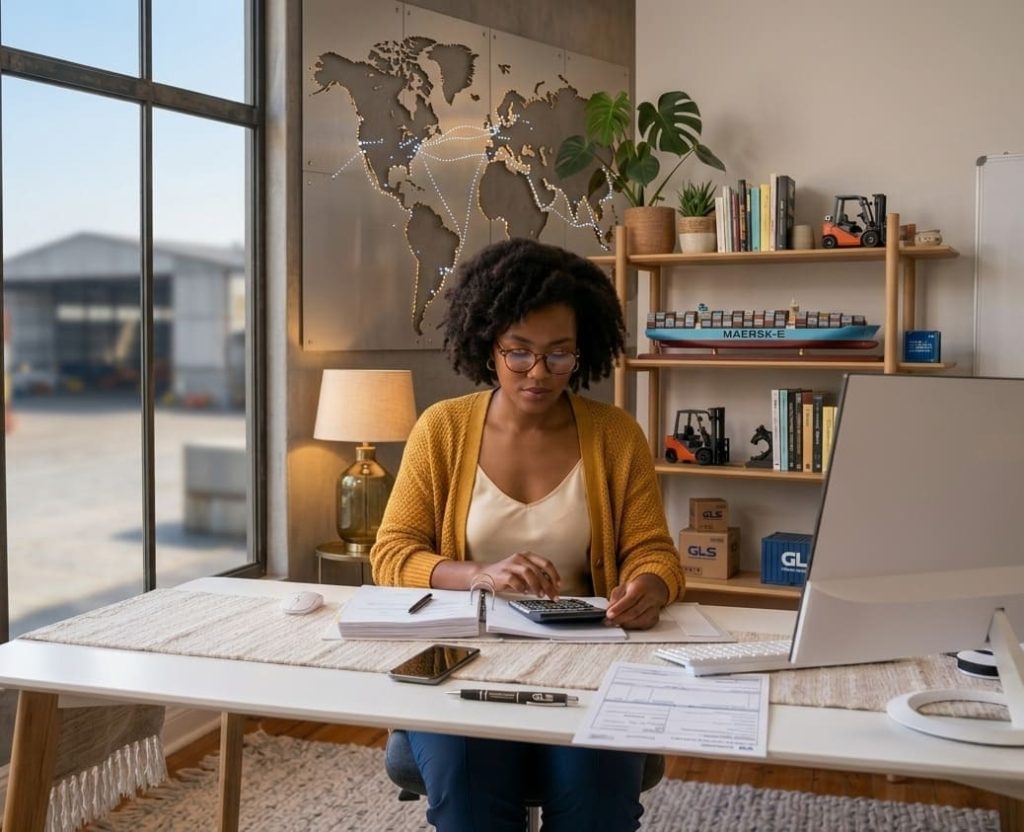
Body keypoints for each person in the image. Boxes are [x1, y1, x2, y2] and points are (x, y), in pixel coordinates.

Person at [370, 237, 685, 832]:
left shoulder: (615, 435)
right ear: (488, 344)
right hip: (461, 664)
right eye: (519, 352)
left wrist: (650, 585)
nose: (539, 373)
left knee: (596, 796)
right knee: (468, 793)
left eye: (559, 354)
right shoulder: (441, 430)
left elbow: (653, 551)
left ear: (581, 351)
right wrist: (478, 575)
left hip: (588, 665)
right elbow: (391, 554)